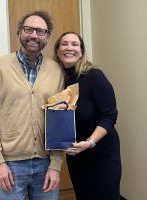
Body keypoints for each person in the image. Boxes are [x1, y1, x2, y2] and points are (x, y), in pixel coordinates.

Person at [0, 10, 64, 200]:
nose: (34, 35)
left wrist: (56, 165)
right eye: (28, 29)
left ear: (47, 37)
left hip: (45, 164)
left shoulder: (56, 70)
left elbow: (59, 121)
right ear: (19, 33)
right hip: (10, 165)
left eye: (40, 31)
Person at [54, 32, 122, 200]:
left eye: (75, 44)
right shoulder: (57, 81)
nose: (69, 47)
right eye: (64, 43)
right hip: (76, 154)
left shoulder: (94, 76)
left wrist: (90, 142)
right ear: (57, 51)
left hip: (102, 153)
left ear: (81, 51)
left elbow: (109, 116)